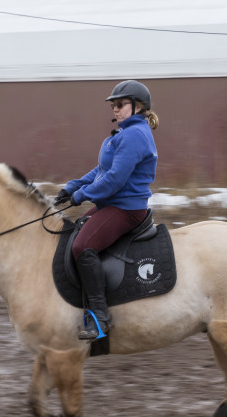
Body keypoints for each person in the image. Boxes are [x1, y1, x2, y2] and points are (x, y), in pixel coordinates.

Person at [54, 80, 160, 340]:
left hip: (126, 208)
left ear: (138, 107)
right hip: (113, 204)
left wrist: (82, 195)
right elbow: (101, 171)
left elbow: (115, 179)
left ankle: (100, 317)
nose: (115, 109)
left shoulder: (135, 135)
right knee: (76, 232)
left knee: (82, 247)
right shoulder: (124, 134)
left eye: (120, 104)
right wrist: (73, 187)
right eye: (113, 105)